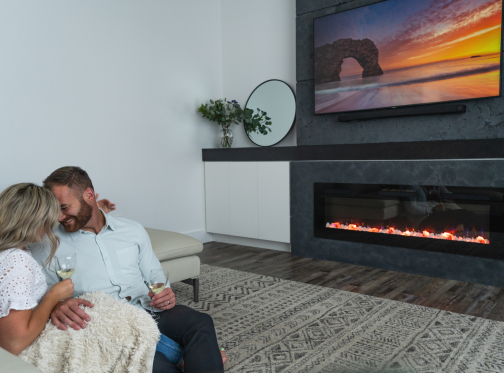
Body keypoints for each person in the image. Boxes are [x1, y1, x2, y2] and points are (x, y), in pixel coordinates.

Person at [30, 166, 225, 373]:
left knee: (201, 322)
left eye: (64, 207)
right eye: (54, 210)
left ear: (88, 195)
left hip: (148, 306)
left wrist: (165, 292)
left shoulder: (131, 229)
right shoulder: (47, 243)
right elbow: (37, 293)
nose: (59, 217)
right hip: (107, 324)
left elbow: (154, 273)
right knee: (152, 364)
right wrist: (56, 304)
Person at [0, 183, 74, 355]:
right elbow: (14, 344)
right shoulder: (17, 261)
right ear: (33, 220)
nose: (56, 221)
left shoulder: (7, 253)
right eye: (50, 217)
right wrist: (53, 296)